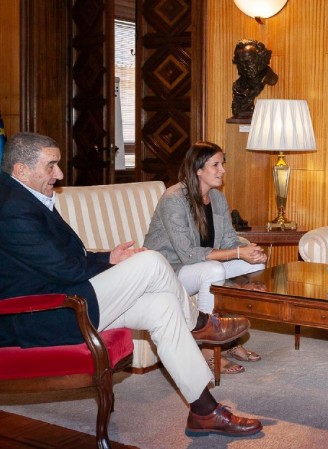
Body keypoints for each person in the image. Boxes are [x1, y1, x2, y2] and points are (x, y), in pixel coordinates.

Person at [0, 132, 263, 437]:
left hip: (68, 296)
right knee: (150, 261)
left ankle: (204, 410)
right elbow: (65, 268)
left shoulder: (27, 196)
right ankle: (201, 322)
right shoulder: (12, 208)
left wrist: (109, 257)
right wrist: (107, 263)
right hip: (45, 314)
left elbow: (68, 257)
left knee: (163, 307)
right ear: (21, 170)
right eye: (51, 166)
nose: (58, 175)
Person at [144, 141, 268, 375]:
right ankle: (208, 349)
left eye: (222, 164)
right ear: (198, 169)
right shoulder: (174, 199)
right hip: (171, 271)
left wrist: (249, 249)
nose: (223, 170)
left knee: (254, 262)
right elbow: (188, 254)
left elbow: (230, 241)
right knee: (214, 271)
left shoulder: (217, 199)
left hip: (200, 266)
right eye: (216, 165)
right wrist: (238, 253)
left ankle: (230, 340)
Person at [230, 39, 278, 119]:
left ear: (260, 59)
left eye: (249, 62)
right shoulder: (239, 85)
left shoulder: (268, 77)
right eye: (241, 63)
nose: (245, 67)